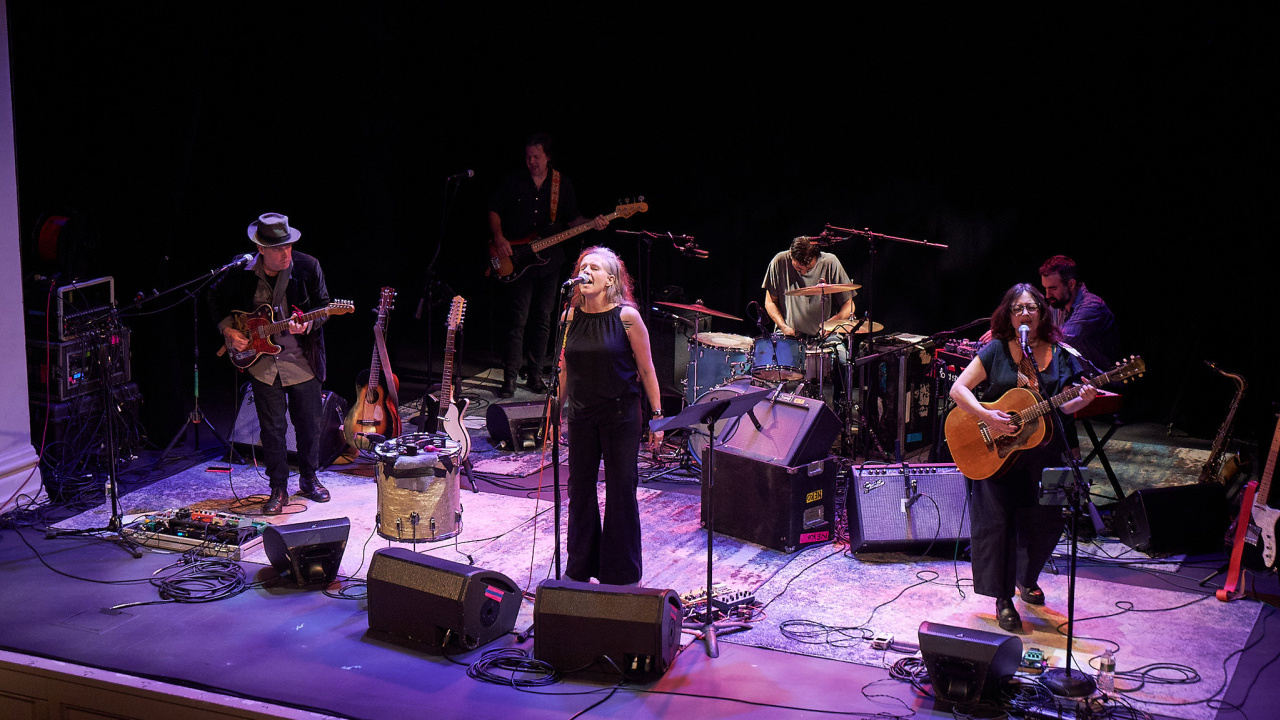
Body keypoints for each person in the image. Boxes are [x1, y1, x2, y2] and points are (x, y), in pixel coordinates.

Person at [949, 283, 1097, 631]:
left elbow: (1064, 404)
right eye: (1018, 309)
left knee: (1048, 522)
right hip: (1000, 453)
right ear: (1008, 315)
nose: (1025, 314)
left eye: (1031, 307)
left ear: (1042, 312)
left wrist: (1084, 400)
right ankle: (1003, 599)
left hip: (1046, 453)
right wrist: (987, 416)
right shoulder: (996, 350)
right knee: (998, 526)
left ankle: (1026, 577)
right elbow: (959, 389)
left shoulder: (1060, 354)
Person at [210, 213, 332, 516]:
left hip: (302, 360)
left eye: (289, 247)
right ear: (260, 247)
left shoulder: (307, 266)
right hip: (262, 363)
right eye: (278, 249)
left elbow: (324, 306)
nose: (286, 254)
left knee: (308, 425)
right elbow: (214, 297)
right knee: (272, 429)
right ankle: (278, 488)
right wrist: (228, 329)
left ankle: (309, 479)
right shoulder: (240, 271)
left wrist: (309, 325)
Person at [557, 246, 663, 585]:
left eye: (594, 268)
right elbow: (563, 371)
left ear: (610, 280)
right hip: (582, 415)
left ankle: (620, 573)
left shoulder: (627, 317)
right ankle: (579, 568)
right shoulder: (569, 318)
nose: (586, 271)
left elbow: (647, 370)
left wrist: (657, 417)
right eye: (582, 266)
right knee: (581, 490)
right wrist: (555, 411)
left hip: (620, 415)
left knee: (621, 490)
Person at [489, 133, 610, 398]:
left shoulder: (561, 184)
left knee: (543, 320)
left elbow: (572, 220)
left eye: (536, 157)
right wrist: (499, 238)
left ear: (548, 157)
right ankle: (509, 378)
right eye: (528, 156)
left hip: (549, 262)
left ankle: (535, 375)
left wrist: (593, 222)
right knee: (517, 320)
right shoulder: (514, 180)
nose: (531, 161)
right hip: (519, 259)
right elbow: (494, 209)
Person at [1039, 255, 1119, 374]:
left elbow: (1061, 342)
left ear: (1071, 284)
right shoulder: (1056, 306)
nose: (1047, 295)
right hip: (1081, 384)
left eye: (1053, 288)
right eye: (1045, 289)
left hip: (1107, 384)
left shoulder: (1092, 306)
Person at [761, 236, 855, 337]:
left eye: (809, 268)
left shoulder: (830, 262)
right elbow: (770, 302)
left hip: (826, 337)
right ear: (791, 254)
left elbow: (849, 304)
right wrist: (783, 326)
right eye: (799, 268)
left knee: (841, 353)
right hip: (788, 336)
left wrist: (832, 323)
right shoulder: (779, 262)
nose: (804, 273)